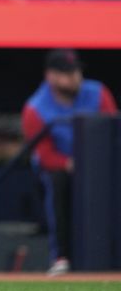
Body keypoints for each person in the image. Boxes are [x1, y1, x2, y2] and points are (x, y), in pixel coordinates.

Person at [21, 49, 118, 275]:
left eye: (75, 71)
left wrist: (94, 163)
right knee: (57, 182)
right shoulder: (35, 107)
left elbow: (114, 132)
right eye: (66, 72)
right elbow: (43, 155)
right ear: (51, 76)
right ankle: (60, 257)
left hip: (101, 165)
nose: (74, 76)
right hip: (61, 168)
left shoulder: (98, 92)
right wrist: (71, 164)